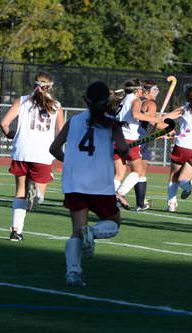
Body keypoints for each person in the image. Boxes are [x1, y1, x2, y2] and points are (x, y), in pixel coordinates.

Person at [50, 81, 129, 287]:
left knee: (76, 229)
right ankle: (92, 232)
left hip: (74, 182)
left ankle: (73, 274)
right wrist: (123, 148)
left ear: (86, 99)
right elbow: (123, 150)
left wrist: (71, 161)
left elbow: (54, 148)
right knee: (113, 223)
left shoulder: (74, 121)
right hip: (100, 184)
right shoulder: (112, 123)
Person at [0, 71, 64, 241]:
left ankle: (16, 231)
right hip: (43, 153)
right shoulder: (56, 106)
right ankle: (38, 194)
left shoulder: (22, 101)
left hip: (22, 150)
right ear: (50, 87)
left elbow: (4, 123)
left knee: (20, 191)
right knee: (40, 188)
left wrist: (11, 134)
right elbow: (61, 132)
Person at [113, 79, 157, 210]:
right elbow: (135, 114)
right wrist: (154, 118)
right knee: (138, 171)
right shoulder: (136, 100)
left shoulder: (121, 99)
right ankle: (120, 193)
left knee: (119, 174)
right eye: (141, 90)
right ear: (136, 90)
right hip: (129, 140)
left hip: (116, 138)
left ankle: (107, 198)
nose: (142, 92)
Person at [164, 87, 192, 212]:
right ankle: (187, 186)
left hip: (182, 146)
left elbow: (165, 118)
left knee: (174, 176)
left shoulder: (183, 109)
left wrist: (169, 129)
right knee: (182, 179)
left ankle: (171, 203)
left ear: (186, 97)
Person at [133, 80, 160, 211]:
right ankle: (140, 203)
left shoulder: (134, 100)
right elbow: (153, 122)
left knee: (119, 171)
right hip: (139, 139)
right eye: (155, 90)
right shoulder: (150, 104)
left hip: (123, 137)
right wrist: (169, 128)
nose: (157, 93)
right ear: (147, 91)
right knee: (140, 172)